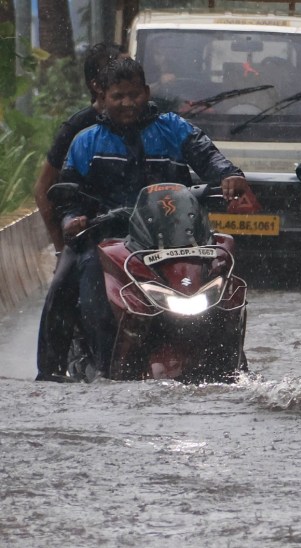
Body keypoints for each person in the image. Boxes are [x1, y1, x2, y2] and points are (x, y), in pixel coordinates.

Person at [43, 58, 249, 380]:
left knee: (223, 270)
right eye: (118, 96)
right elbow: (67, 196)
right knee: (65, 281)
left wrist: (229, 176)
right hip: (106, 239)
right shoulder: (86, 141)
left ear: (147, 92)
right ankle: (52, 372)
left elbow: (209, 156)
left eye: (134, 94)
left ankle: (233, 362)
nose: (127, 103)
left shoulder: (174, 128)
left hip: (175, 237)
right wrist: (72, 219)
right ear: (103, 98)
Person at [34, 42, 128, 382]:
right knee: (64, 288)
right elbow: (44, 190)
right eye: (119, 77)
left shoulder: (158, 122)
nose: (129, 99)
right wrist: (63, 243)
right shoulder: (79, 130)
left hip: (144, 231)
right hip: (90, 234)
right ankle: (51, 371)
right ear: (98, 86)